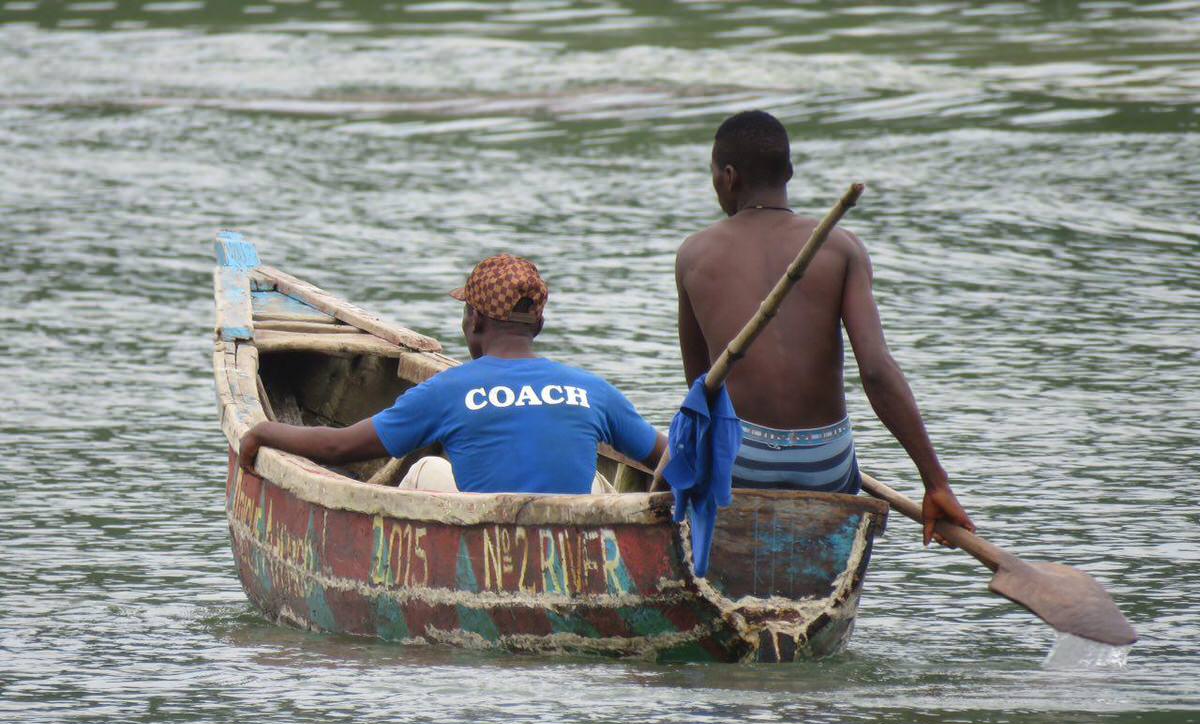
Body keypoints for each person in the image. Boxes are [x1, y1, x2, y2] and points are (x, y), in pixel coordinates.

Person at [674, 110, 974, 544]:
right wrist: (935, 482)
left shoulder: (693, 254)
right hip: (825, 457)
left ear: (728, 177)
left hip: (742, 457)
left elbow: (701, 390)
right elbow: (877, 370)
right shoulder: (841, 247)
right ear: (789, 172)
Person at [239, 254, 667, 493]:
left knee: (425, 469)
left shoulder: (449, 390)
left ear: (474, 321)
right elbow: (669, 457)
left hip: (488, 543)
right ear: (537, 324)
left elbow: (337, 447)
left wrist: (262, 432)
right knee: (594, 483)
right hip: (575, 542)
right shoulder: (592, 391)